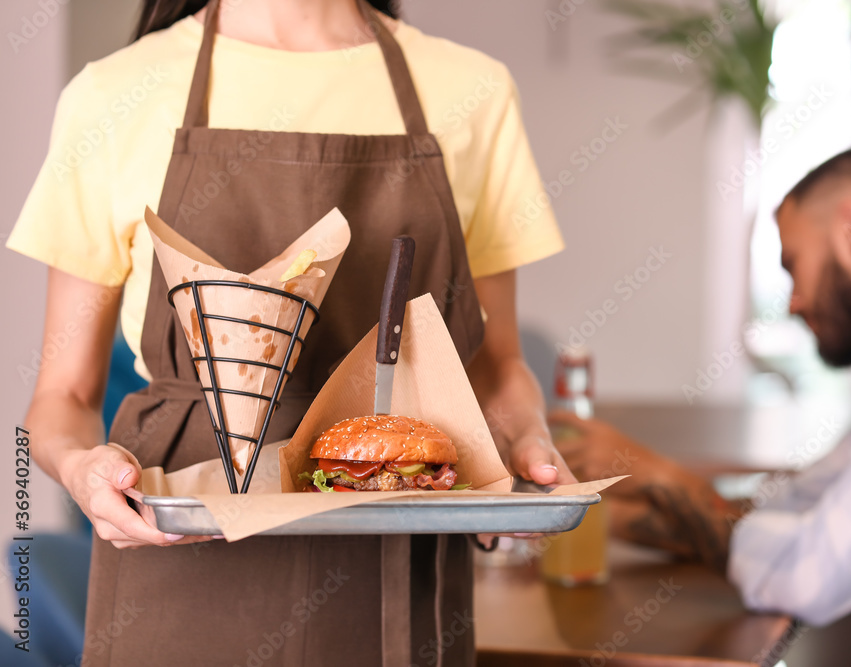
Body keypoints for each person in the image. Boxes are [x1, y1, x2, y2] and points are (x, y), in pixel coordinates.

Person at [7, 0, 575, 664]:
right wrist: (81, 468)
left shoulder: (473, 90)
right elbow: (62, 400)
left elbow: (497, 368)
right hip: (181, 585)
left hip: (396, 579)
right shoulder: (109, 96)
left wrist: (526, 441)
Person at [551, 146, 851, 666]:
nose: (793, 302)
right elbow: (798, 505)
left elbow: (809, 573)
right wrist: (596, 514)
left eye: (793, 265)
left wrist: (665, 478)